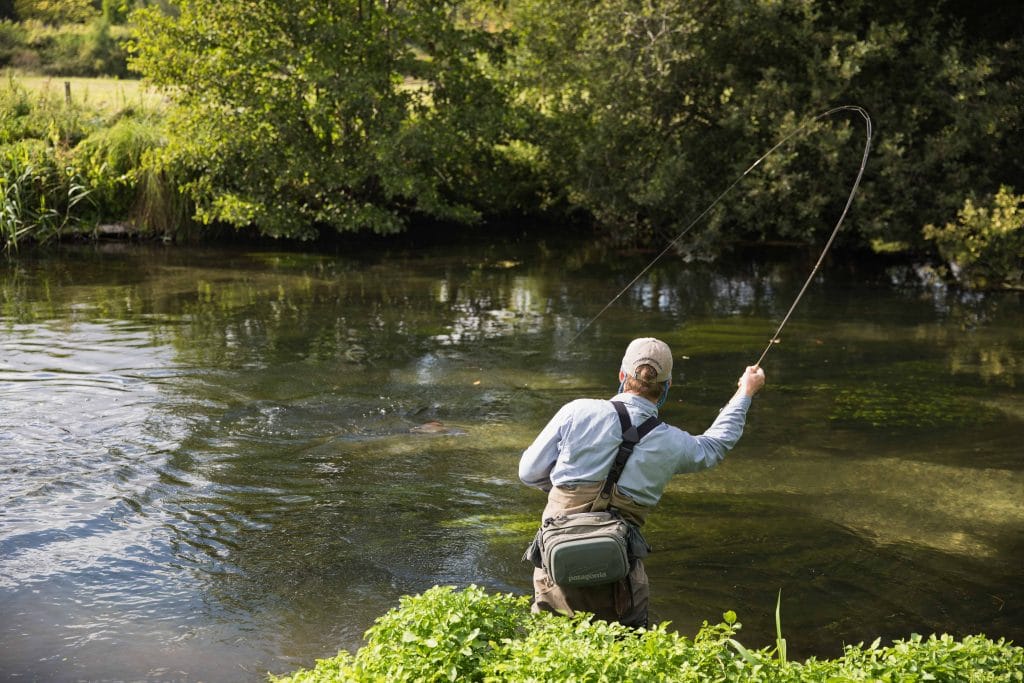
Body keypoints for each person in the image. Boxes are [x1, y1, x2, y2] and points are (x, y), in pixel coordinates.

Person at [519, 337, 765, 627]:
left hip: (555, 560)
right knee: (626, 641)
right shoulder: (673, 441)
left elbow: (528, 472)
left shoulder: (577, 410)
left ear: (622, 376)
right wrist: (745, 392)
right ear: (667, 385)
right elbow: (715, 445)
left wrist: (563, 490)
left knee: (549, 639)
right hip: (619, 577)